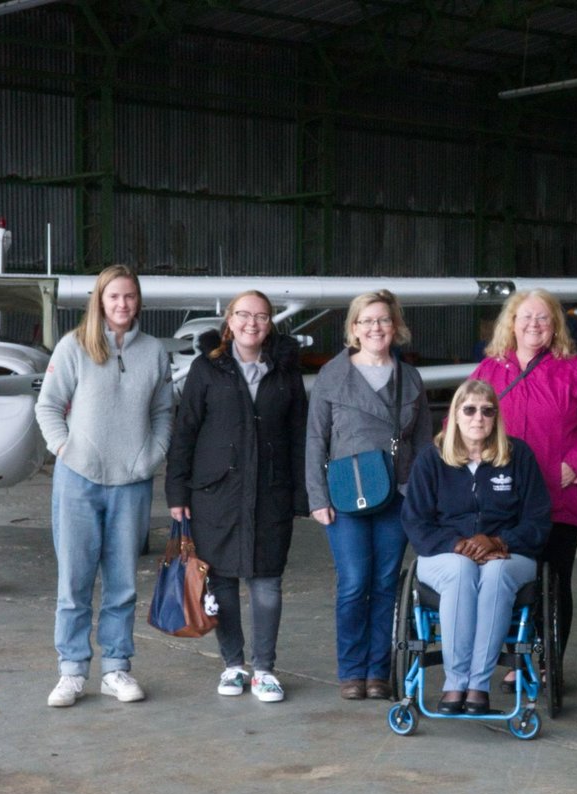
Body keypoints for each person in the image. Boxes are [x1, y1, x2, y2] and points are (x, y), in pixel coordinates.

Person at [35, 264, 173, 707]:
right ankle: (72, 670)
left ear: (139, 302)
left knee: (122, 582)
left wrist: (153, 455)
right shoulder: (75, 346)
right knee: (73, 581)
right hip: (78, 480)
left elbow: (164, 412)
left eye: (129, 296)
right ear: (100, 300)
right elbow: (48, 406)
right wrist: (65, 449)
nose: (122, 304)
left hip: (131, 482)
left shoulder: (154, 352)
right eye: (113, 296)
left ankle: (117, 668)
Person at [165, 290, 309, 703]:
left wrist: (301, 494)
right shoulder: (206, 368)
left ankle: (264, 669)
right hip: (215, 493)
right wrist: (177, 489)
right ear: (229, 321)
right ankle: (233, 665)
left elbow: (299, 435)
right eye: (243, 315)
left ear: (270, 324)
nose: (252, 323)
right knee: (222, 582)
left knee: (267, 583)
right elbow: (186, 430)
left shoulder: (284, 370)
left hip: (270, 493)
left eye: (261, 316)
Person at [470, 289, 577, 692]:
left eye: (544, 319)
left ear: (556, 326)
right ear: (511, 323)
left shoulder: (576, 369)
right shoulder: (489, 370)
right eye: (526, 317)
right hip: (502, 496)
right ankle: (517, 658)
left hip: (559, 495)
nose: (534, 325)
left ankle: (547, 662)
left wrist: (576, 462)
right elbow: (462, 420)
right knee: (509, 578)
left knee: (554, 580)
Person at [306, 290, 432, 701]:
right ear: (354, 329)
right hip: (345, 493)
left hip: (398, 492)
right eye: (367, 321)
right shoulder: (332, 375)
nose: (375, 327)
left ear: (395, 326)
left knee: (384, 584)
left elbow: (425, 445)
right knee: (354, 582)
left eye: (383, 320)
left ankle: (378, 672)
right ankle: (351, 670)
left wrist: (423, 497)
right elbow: (314, 439)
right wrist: (317, 496)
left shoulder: (409, 378)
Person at [401, 380, 552, 715]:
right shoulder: (432, 459)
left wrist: (499, 541)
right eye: (469, 409)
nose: (478, 417)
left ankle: (477, 685)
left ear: (496, 417)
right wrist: (457, 544)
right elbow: (416, 523)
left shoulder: (518, 456)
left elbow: (538, 520)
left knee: (496, 572)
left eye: (487, 410)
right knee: (461, 569)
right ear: (455, 414)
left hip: (509, 555)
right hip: (445, 556)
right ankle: (455, 681)